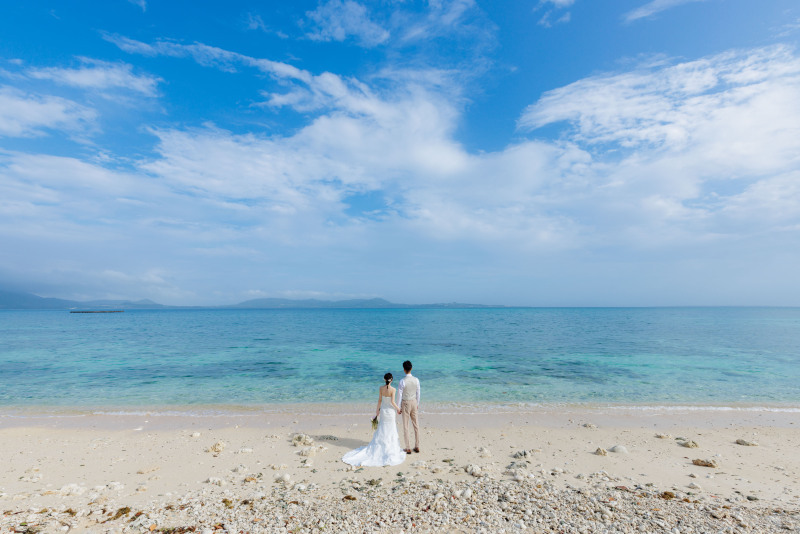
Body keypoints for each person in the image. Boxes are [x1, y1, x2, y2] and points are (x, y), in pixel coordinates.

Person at [342, 373, 406, 467]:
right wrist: (398, 409)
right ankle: (389, 447)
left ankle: (381, 446)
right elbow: (392, 402)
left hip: (383, 411)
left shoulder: (381, 388)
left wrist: (377, 411)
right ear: (391, 380)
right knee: (390, 429)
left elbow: (380, 400)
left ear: (384, 379)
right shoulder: (393, 389)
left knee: (382, 428)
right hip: (390, 412)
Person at [397, 360, 421, 454]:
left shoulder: (402, 381)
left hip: (406, 403)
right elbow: (418, 393)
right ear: (411, 368)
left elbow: (399, 395)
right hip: (414, 402)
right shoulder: (416, 380)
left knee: (406, 426)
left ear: (404, 369)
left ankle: (408, 447)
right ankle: (417, 446)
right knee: (416, 425)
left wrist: (398, 407)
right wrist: (417, 403)